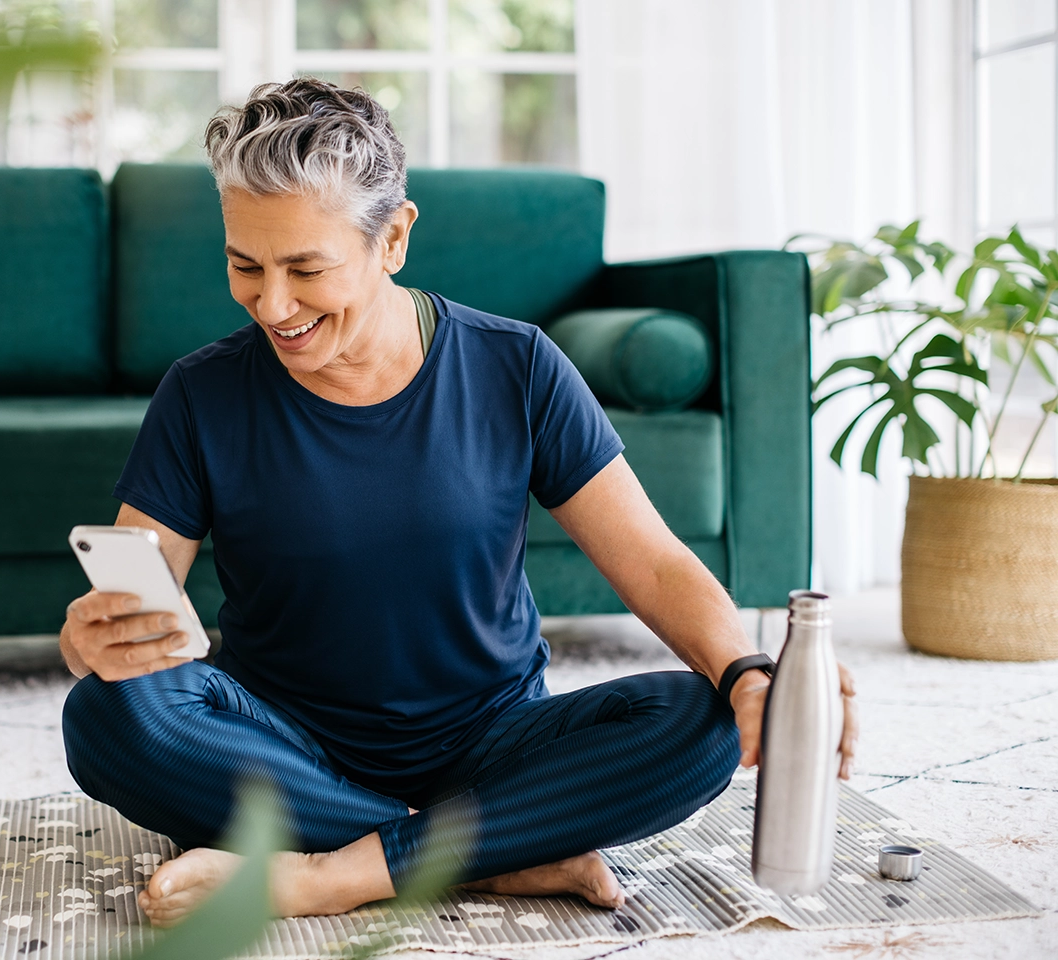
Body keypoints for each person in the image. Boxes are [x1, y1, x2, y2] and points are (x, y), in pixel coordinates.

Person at [60, 78, 858, 926]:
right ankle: (482, 854)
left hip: (491, 748)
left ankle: (326, 874)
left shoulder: (517, 367)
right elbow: (136, 608)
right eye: (245, 266)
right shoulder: (203, 393)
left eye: (306, 268)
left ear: (394, 236)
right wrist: (88, 641)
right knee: (109, 714)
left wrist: (744, 673)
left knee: (699, 723)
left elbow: (653, 560)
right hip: (283, 752)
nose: (274, 304)